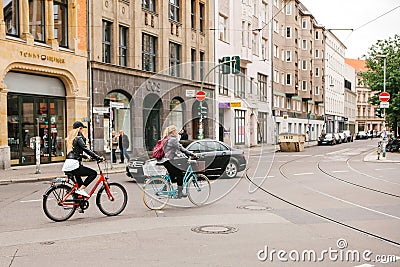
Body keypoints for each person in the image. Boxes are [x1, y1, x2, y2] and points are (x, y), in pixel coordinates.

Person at [63, 121, 104, 197]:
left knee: (80, 185)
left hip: (68, 165)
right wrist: (97, 157)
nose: (83, 131)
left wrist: (86, 157)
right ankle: (81, 190)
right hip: (74, 165)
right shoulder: (79, 138)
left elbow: (75, 152)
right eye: (82, 129)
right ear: (80, 129)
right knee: (93, 173)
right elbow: (86, 149)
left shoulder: (72, 138)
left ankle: (78, 203)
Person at [157, 125, 197, 198]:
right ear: (173, 131)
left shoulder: (166, 138)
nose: (177, 132)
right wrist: (192, 154)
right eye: (176, 130)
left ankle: (166, 187)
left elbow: (169, 150)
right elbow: (181, 148)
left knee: (172, 175)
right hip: (168, 160)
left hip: (164, 160)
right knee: (179, 174)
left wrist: (176, 155)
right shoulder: (173, 139)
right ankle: (180, 193)